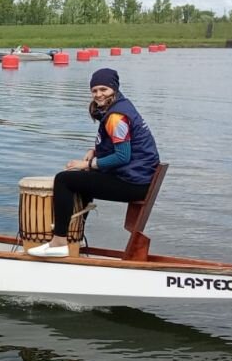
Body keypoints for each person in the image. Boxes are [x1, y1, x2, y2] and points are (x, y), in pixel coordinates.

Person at [28, 68, 160, 257]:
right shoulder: (121, 106)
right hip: (139, 178)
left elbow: (123, 156)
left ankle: (59, 242)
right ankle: (74, 237)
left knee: (64, 180)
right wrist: (95, 151)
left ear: (114, 89)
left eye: (103, 90)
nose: (98, 94)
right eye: (94, 90)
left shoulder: (116, 117)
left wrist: (88, 164)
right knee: (81, 181)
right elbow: (121, 144)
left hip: (134, 183)